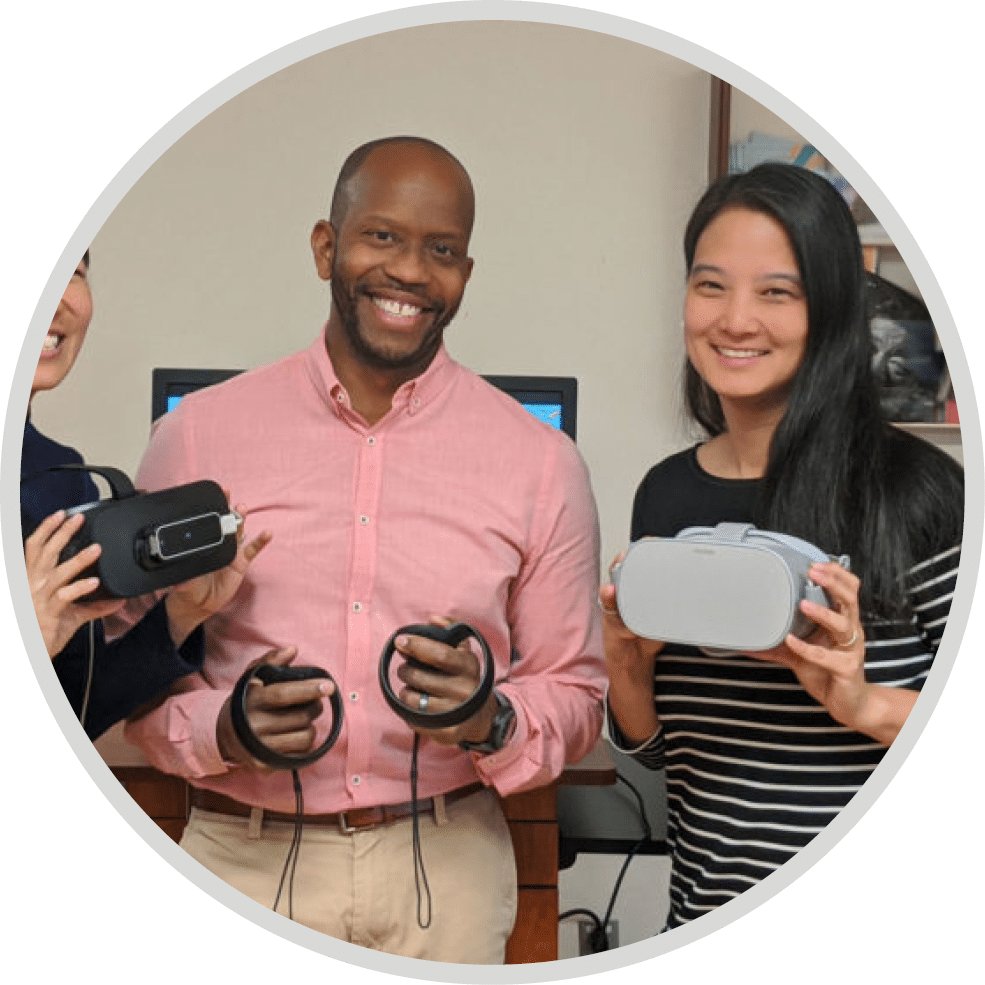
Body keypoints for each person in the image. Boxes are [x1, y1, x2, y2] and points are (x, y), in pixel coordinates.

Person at [122, 136, 605, 963]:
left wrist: (491, 717)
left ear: (465, 273)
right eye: (382, 236)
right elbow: (125, 667)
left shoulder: (541, 463)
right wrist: (225, 729)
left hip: (446, 870)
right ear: (325, 247)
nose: (412, 270)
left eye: (441, 249)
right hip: (241, 859)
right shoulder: (196, 435)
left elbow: (576, 692)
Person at [599, 163, 963, 931]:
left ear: (828, 309)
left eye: (776, 291)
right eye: (709, 285)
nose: (734, 320)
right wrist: (625, 665)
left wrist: (860, 704)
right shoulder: (664, 497)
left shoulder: (923, 492)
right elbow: (662, 757)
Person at [21, 251, 269, 740]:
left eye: (71, 273)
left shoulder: (62, 480)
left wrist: (182, 615)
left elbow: (78, 706)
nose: (54, 300)